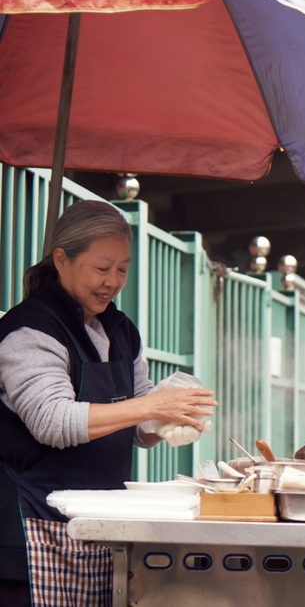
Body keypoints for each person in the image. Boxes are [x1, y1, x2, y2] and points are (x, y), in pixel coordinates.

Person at [0, 200, 217, 607]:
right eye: (102, 268)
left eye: (123, 269)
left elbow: (135, 420)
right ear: (62, 260)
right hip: (31, 530)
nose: (114, 281)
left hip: (97, 524)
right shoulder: (30, 330)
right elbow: (53, 420)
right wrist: (153, 407)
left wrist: (166, 420)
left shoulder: (119, 330)